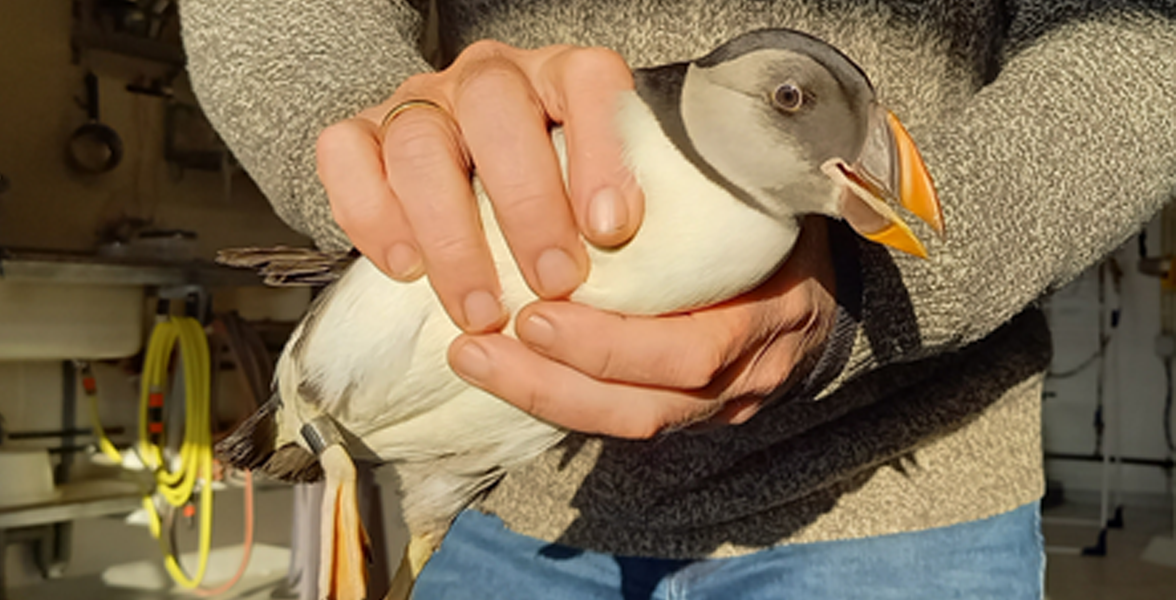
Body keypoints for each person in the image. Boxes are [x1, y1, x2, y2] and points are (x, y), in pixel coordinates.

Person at [180, 1, 1176, 597]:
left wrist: (891, 278)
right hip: (503, 517)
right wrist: (389, 168)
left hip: (906, 508)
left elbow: (1142, 38)